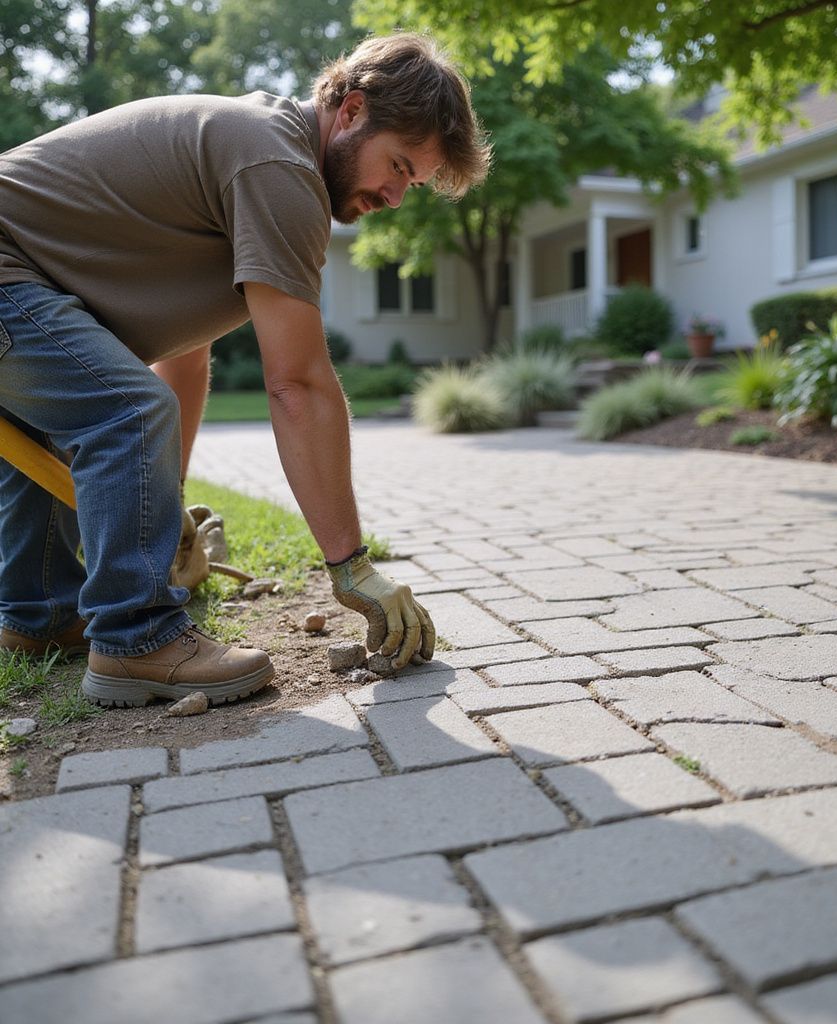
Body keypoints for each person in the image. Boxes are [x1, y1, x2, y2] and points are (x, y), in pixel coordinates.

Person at [0, 33, 490, 706]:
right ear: (349, 112)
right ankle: (135, 642)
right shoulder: (277, 166)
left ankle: (41, 617)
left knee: (69, 408)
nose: (398, 196)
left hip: (16, 278)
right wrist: (350, 566)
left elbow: (185, 348)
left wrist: (161, 513)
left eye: (415, 183)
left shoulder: (259, 154)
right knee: (125, 408)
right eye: (400, 167)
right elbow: (298, 384)